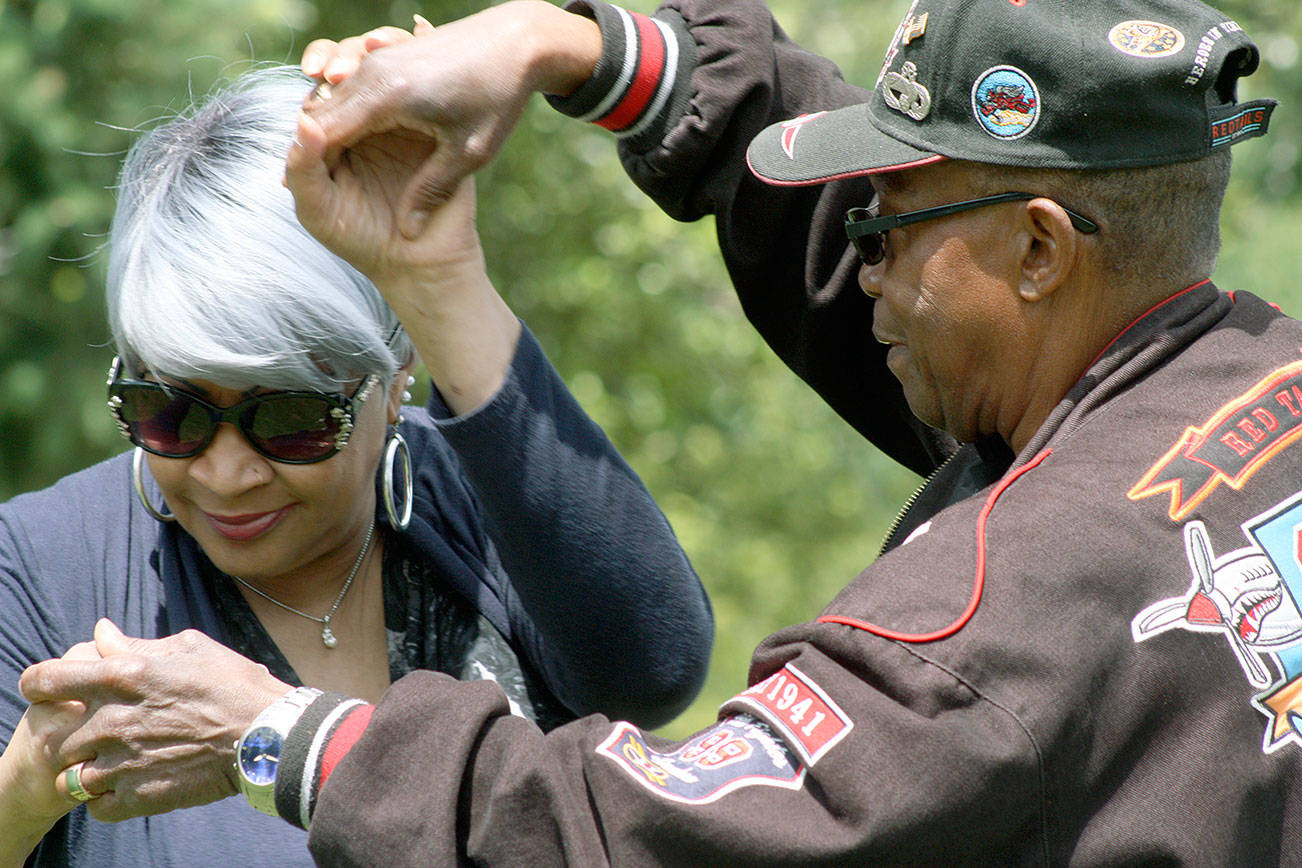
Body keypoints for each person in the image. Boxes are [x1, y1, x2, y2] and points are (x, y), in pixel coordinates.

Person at [18, 0, 1301, 862]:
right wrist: (566, 46)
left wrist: (281, 735)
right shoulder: (1256, 376)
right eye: (167, 407)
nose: (856, 271)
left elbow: (643, 832)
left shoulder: (989, 628)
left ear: (1038, 252)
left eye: (884, 228)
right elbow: (848, 215)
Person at [0, 63, 713, 866]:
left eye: (292, 419)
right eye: (168, 413)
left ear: (394, 371)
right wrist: (29, 780)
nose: (227, 475)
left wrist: (442, 280)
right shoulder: (38, 561)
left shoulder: (489, 494)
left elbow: (653, 671)